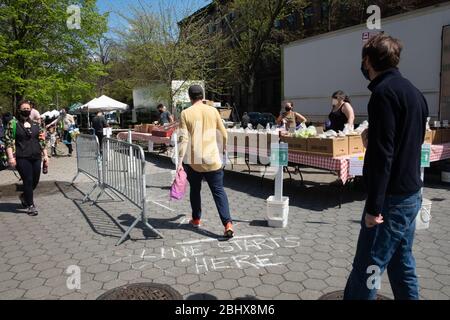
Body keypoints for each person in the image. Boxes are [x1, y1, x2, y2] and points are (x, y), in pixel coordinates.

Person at [344, 34, 428, 300]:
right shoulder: (414, 93)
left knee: (368, 268)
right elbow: (408, 140)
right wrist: (375, 136)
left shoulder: (383, 94)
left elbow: (383, 156)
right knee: (401, 264)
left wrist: (374, 208)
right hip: (411, 192)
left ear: (368, 60)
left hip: (390, 200)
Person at [177, 85, 234, 238]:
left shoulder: (185, 113)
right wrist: (223, 150)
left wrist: (180, 160)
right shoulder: (213, 110)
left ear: (189, 97)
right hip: (212, 159)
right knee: (218, 191)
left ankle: (196, 220)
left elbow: (183, 139)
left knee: (195, 190)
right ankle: (227, 223)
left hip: (194, 160)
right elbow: (224, 134)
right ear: (202, 96)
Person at [4, 100, 48, 216]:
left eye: (28, 109)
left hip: (36, 156)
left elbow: (42, 140)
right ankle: (30, 205)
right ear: (19, 110)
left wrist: (46, 155)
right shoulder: (13, 124)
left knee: (35, 180)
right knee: (27, 180)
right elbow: (8, 141)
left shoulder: (35, 124)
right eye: (24, 109)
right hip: (22, 157)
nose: (26, 111)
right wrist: (10, 158)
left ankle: (24, 196)